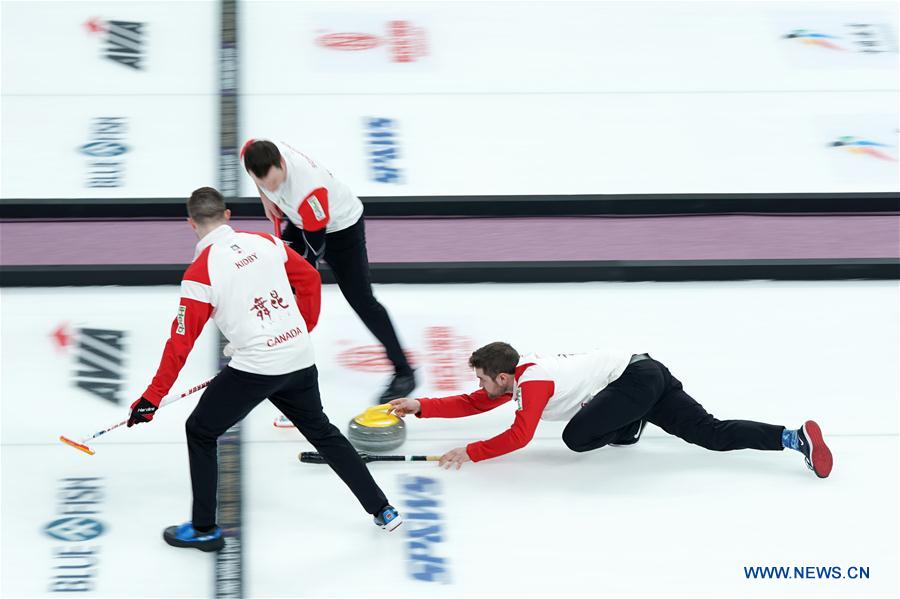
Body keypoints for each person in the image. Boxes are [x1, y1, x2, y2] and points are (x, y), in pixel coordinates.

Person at [128, 187, 402, 552]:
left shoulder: (199, 273)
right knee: (323, 432)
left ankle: (205, 528)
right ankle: (382, 509)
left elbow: (180, 343)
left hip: (255, 368)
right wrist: (300, 329)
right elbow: (310, 279)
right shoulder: (266, 242)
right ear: (227, 216)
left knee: (200, 430)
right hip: (299, 357)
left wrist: (151, 398)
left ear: (191, 223)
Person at [388, 342, 833, 478]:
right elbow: (472, 403)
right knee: (711, 435)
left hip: (633, 382)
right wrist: (420, 406)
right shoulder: (521, 377)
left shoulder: (534, 383)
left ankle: (630, 424)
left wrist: (471, 452)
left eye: (483, 379)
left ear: (503, 378)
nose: (479, 386)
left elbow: (520, 435)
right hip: (645, 372)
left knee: (576, 438)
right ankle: (792, 437)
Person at [240, 139, 415, 412]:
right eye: (264, 183)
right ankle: (273, 356)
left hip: (340, 231)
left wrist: (296, 283)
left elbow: (314, 249)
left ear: (282, 164)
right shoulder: (253, 155)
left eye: (274, 182)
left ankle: (405, 372)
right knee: (275, 284)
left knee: (362, 301)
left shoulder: (309, 190)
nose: (271, 187)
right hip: (300, 221)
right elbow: (249, 151)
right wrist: (265, 197)